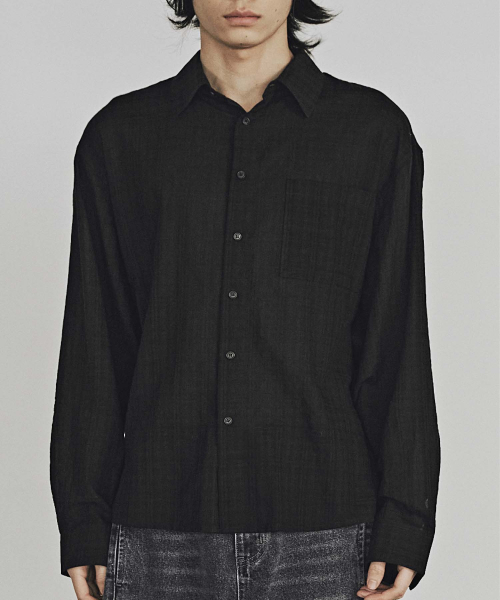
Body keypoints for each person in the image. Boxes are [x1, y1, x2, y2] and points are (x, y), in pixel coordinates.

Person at [49, 1, 441, 598]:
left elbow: (397, 337)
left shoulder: (371, 132)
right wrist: (82, 517)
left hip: (329, 531)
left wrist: (406, 520)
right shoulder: (122, 137)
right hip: (159, 528)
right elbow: (95, 341)